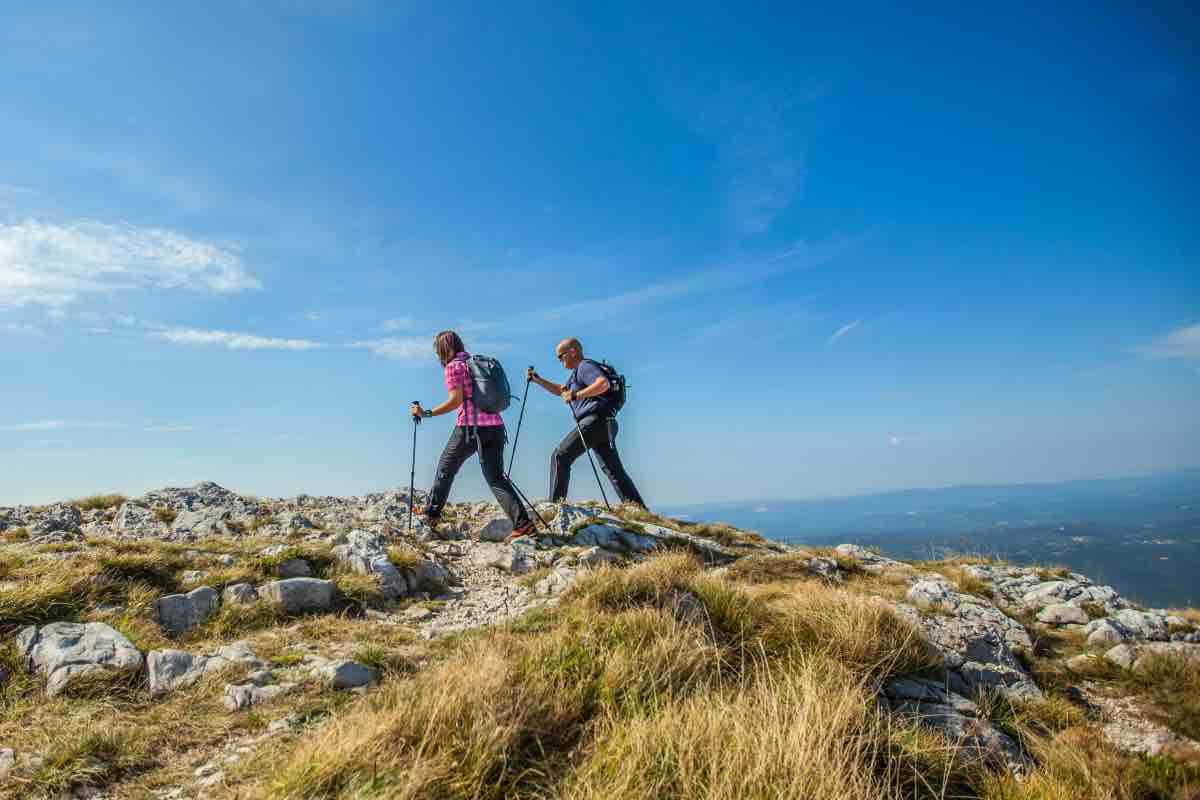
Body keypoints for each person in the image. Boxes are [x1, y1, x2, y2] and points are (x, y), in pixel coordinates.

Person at [411, 330, 535, 538]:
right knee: (496, 477)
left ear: (443, 350)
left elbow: (455, 400)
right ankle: (523, 523)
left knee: (446, 466)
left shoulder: (454, 367)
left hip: (470, 427)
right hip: (495, 426)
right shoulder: (474, 363)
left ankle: (432, 513)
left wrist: (427, 413)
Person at [527, 337, 646, 507]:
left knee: (560, 456)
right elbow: (561, 390)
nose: (560, 361)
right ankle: (639, 509)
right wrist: (537, 380)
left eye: (561, 356)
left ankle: (555, 506)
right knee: (613, 471)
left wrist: (576, 395)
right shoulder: (577, 374)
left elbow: (602, 384)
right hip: (605, 424)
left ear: (573, 351)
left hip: (594, 422)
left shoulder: (585, 366)